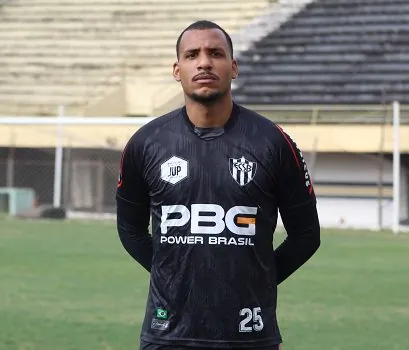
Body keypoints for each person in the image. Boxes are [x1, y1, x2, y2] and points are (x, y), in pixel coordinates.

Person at [116, 20, 321, 350]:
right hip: (167, 335)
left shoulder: (273, 142)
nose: (204, 62)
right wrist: (169, 273)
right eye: (192, 54)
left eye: (215, 53)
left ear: (234, 67)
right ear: (177, 69)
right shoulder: (146, 143)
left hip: (249, 334)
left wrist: (260, 280)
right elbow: (130, 230)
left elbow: (306, 235)